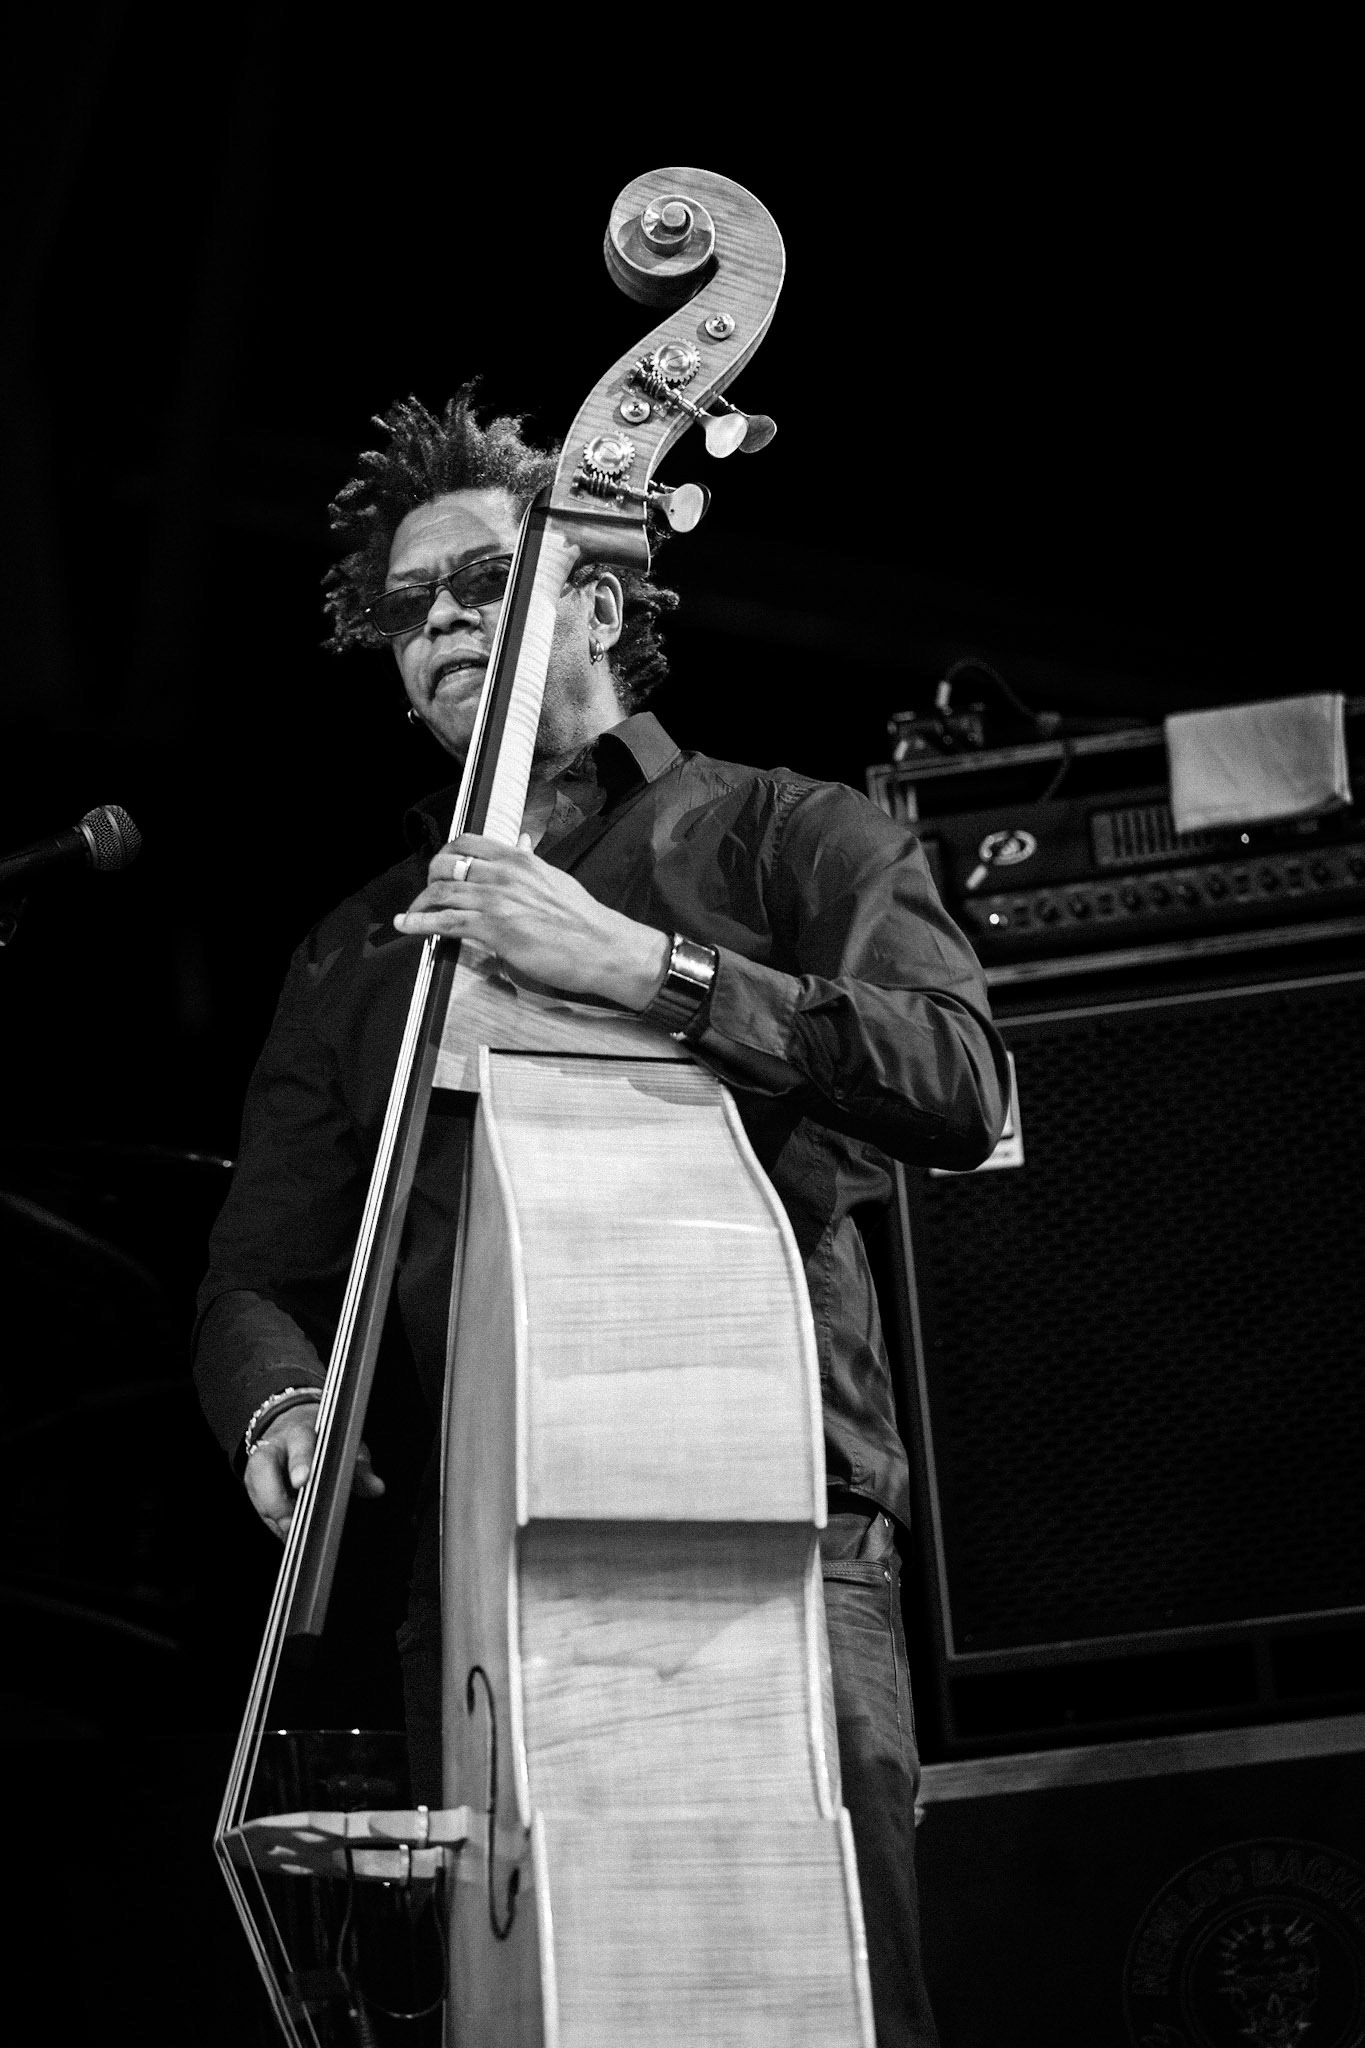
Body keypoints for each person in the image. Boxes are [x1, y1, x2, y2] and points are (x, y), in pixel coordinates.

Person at [194, 389, 1010, 2048]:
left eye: (480, 586)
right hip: (477, 1583)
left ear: (598, 598)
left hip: (777, 1535)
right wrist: (277, 1398)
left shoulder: (788, 833)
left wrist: (647, 969)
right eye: (405, 612)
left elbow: (960, 1081)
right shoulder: (361, 949)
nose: (437, 630)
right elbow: (255, 1275)